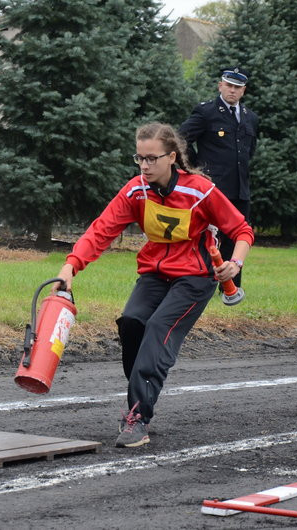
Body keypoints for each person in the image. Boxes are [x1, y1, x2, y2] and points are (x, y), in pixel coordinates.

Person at [54, 122, 254, 448]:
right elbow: (100, 231)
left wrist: (236, 263)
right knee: (132, 323)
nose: (144, 166)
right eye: (139, 158)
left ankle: (137, 417)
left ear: (171, 157)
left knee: (159, 331)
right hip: (154, 275)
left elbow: (242, 230)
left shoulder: (200, 190)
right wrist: (70, 266)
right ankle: (141, 393)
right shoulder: (136, 191)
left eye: (152, 158)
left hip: (194, 279)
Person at [178, 67, 258, 288]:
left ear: (244, 90)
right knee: (208, 238)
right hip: (212, 187)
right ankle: (201, 283)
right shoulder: (206, 112)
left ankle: (231, 287)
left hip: (240, 188)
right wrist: (196, 168)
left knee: (236, 237)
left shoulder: (251, 117)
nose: (232, 91)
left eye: (237, 87)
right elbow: (180, 140)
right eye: (229, 85)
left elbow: (249, 150)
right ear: (220, 86)